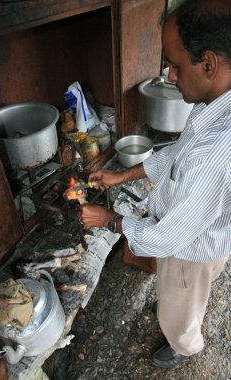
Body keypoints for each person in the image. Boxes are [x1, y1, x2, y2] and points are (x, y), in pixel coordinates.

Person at [80, 0, 231, 369]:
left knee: (180, 307)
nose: (169, 75)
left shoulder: (216, 151)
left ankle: (185, 345)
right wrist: (121, 175)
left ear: (208, 63)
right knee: (189, 289)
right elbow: (175, 156)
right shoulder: (215, 103)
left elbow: (166, 239)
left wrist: (108, 220)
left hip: (190, 250)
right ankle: (180, 306)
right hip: (209, 234)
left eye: (175, 65)